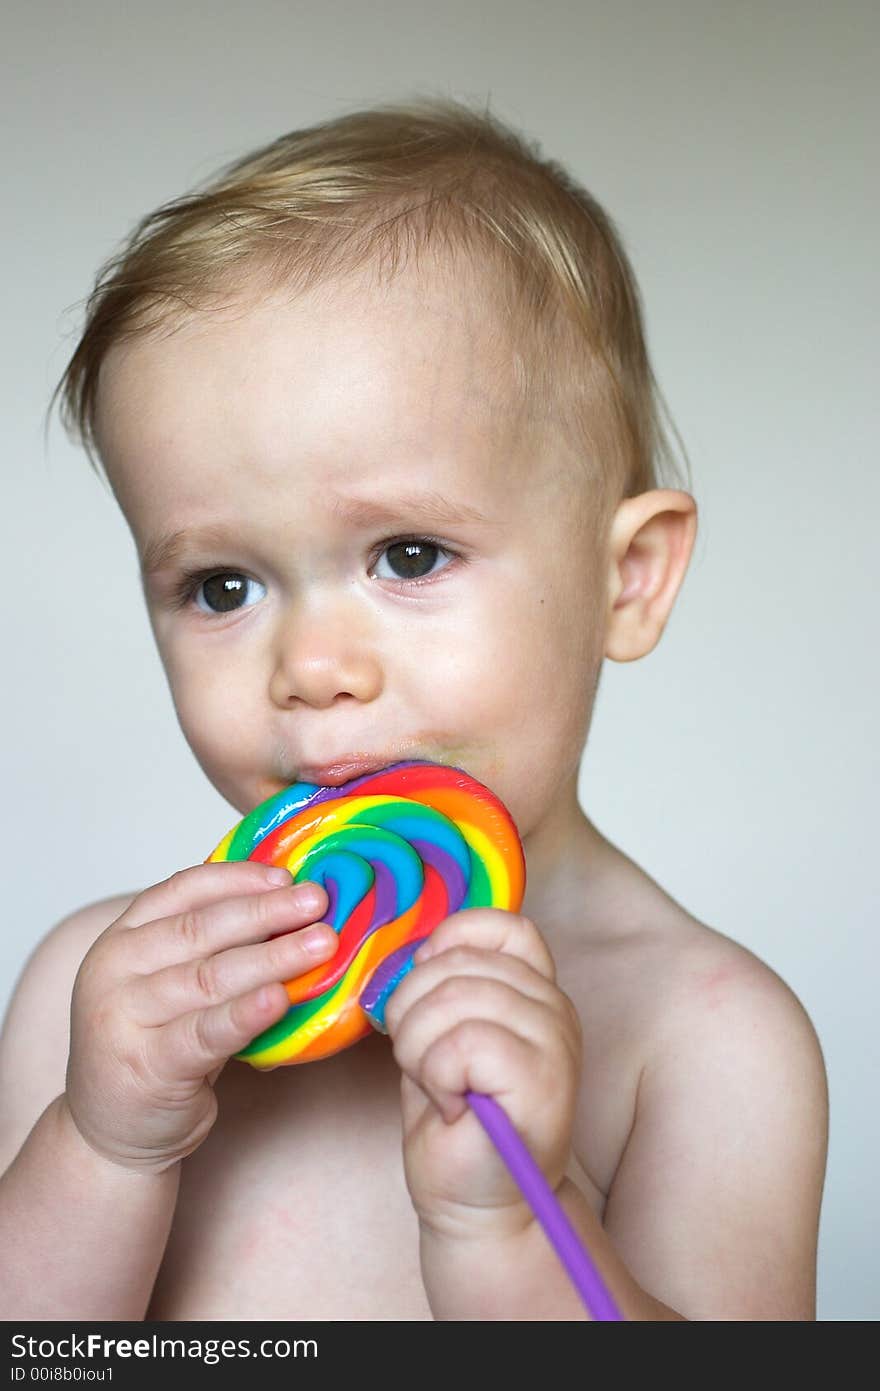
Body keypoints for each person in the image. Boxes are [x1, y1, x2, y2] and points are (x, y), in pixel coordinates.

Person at [0, 97, 827, 1321]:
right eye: (220, 584)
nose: (313, 664)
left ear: (626, 579)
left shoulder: (709, 1041)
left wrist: (512, 1221)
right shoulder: (102, 990)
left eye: (409, 554)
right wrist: (103, 1145)